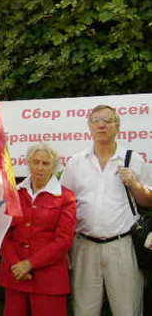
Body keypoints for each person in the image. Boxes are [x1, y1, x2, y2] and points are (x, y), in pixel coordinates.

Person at [61, 105, 152, 316]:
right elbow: (64, 206)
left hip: (122, 245)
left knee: (127, 309)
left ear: (117, 126)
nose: (102, 125)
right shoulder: (76, 163)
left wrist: (135, 185)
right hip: (83, 245)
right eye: (96, 121)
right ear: (89, 127)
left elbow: (148, 202)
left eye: (108, 120)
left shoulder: (133, 159)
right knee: (84, 310)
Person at [0, 143, 76, 316]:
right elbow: (4, 234)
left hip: (49, 279)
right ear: (28, 163)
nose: (40, 167)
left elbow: (64, 240)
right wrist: (15, 265)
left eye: (46, 163)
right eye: (36, 162)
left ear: (54, 167)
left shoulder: (66, 197)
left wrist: (30, 264)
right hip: (15, 276)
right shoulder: (15, 193)